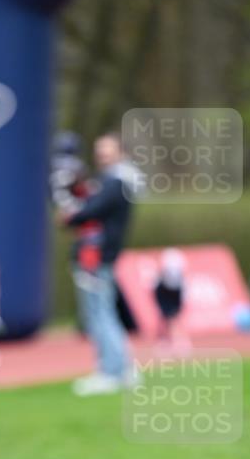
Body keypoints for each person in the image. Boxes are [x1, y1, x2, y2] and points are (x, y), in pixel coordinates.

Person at [60, 132, 141, 395]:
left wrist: (70, 216)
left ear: (121, 152)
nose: (102, 154)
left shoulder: (115, 182)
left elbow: (92, 210)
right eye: (99, 149)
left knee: (99, 314)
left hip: (96, 257)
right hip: (101, 256)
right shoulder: (116, 181)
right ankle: (122, 369)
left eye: (107, 149)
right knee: (105, 313)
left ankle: (110, 371)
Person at [152, 247, 190, 355]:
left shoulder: (180, 281)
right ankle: (165, 340)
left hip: (175, 292)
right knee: (165, 317)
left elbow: (182, 290)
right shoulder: (160, 282)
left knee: (175, 317)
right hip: (164, 292)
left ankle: (179, 340)